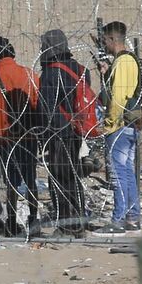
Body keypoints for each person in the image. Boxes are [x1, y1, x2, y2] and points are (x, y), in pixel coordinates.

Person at [0, 36, 42, 235]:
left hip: (4, 138)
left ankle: (12, 221)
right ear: (12, 53)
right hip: (29, 136)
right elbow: (39, 102)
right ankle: (33, 217)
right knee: (30, 178)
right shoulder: (29, 75)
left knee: (11, 181)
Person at [34, 28, 93, 233]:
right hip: (78, 132)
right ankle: (79, 221)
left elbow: (45, 107)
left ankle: (66, 225)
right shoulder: (82, 70)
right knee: (74, 177)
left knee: (59, 179)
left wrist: (44, 133)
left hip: (59, 134)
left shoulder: (51, 73)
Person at [96, 20, 142, 231]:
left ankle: (118, 220)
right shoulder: (124, 62)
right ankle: (132, 217)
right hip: (127, 126)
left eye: (105, 41)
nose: (104, 45)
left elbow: (118, 98)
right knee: (126, 173)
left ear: (112, 39)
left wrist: (109, 124)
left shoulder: (124, 62)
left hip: (119, 127)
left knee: (117, 174)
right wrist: (107, 73)